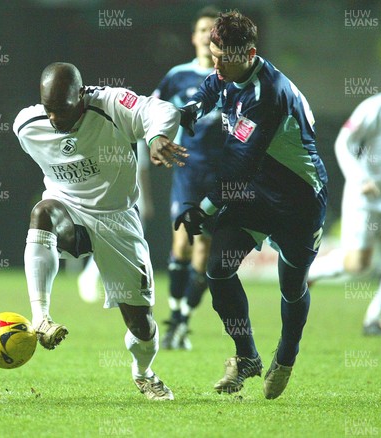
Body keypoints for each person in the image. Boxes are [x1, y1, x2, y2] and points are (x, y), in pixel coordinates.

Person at [175, 11, 327, 399]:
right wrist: (193, 108)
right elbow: (213, 85)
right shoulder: (230, 72)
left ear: (251, 53)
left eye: (224, 57)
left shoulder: (268, 94)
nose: (216, 64)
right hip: (257, 193)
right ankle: (247, 357)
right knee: (218, 269)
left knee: (292, 287)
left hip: (299, 200)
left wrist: (202, 208)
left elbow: (240, 166)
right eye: (214, 55)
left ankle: (287, 355)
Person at [13, 62, 187, 400]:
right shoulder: (27, 126)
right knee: (42, 213)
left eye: (62, 110)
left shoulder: (111, 104)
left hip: (118, 219)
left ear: (81, 95)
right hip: (69, 210)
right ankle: (41, 318)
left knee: (142, 327)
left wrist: (156, 136)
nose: (53, 119)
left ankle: (143, 373)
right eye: (48, 109)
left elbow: (162, 110)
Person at [308, 48, 381, 337]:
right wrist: (360, 178)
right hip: (365, 196)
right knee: (358, 264)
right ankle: (309, 273)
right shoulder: (374, 108)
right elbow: (343, 143)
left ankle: (374, 319)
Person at [150, 6, 225, 351]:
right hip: (187, 170)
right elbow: (149, 112)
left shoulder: (232, 78)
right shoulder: (177, 76)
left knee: (205, 251)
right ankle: (175, 317)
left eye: (213, 30)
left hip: (222, 175)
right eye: (201, 29)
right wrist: (154, 142)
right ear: (194, 36)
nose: (206, 35)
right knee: (181, 242)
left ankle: (182, 322)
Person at [77, 143, 154, 303]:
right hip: (121, 198)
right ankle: (91, 278)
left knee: (125, 244)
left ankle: (119, 285)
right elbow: (143, 172)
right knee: (115, 242)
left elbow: (142, 171)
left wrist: (146, 200)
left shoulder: (135, 139)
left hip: (132, 198)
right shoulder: (118, 134)